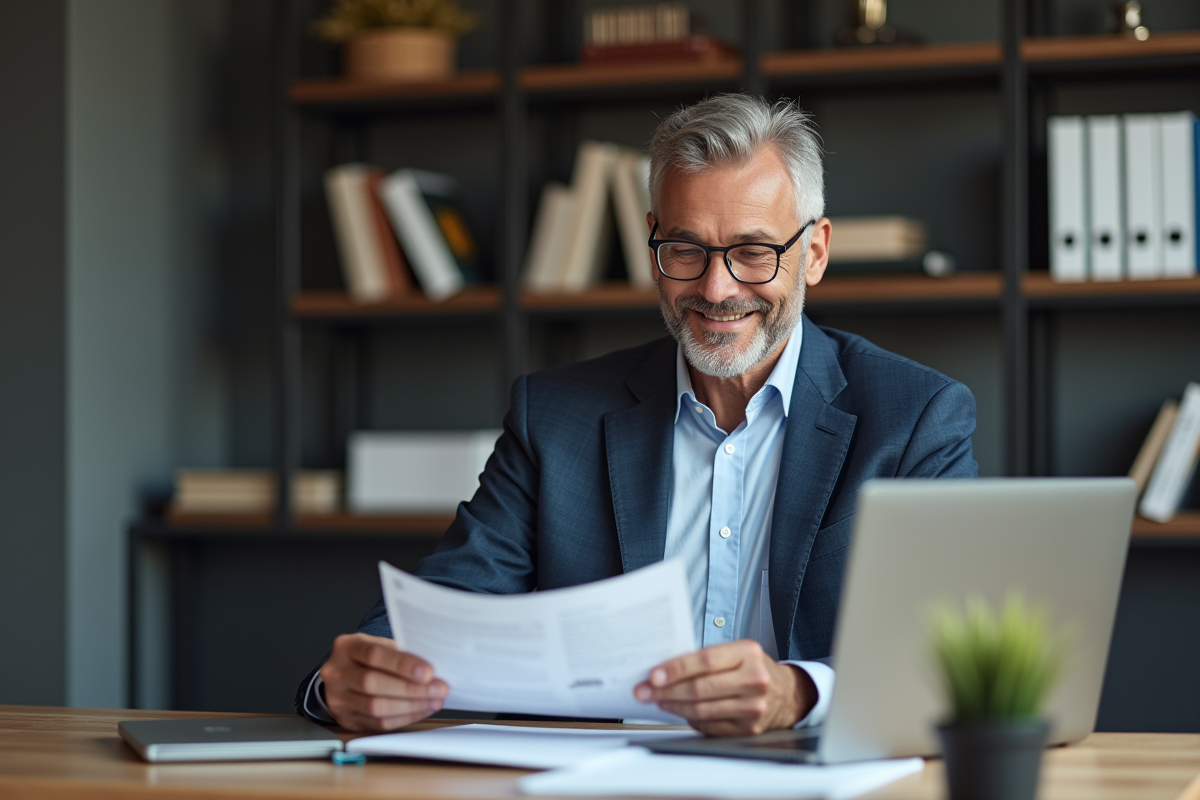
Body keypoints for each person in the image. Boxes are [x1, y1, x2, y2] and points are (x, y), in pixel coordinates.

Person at [296, 93, 978, 737]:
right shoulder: (556, 417)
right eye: (686, 249)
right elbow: (444, 607)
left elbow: (954, 657)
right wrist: (355, 679)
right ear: (653, 245)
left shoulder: (915, 418)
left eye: (752, 251)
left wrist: (797, 694)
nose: (717, 289)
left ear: (816, 252)